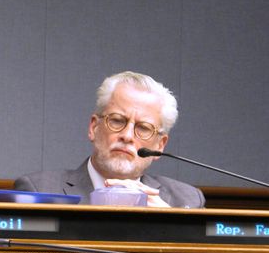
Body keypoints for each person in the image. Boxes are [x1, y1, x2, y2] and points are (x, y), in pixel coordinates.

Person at [14, 71, 205, 208]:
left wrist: (171, 225)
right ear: (93, 128)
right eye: (117, 121)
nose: (127, 136)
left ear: (160, 145)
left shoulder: (186, 201)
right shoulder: (39, 190)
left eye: (143, 128)